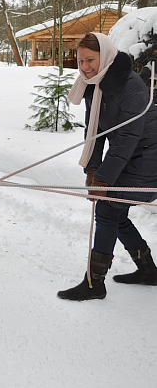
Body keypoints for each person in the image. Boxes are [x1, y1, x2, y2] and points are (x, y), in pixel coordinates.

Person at [58, 32, 157, 301]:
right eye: (80, 61)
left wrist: (103, 179)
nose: (85, 67)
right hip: (127, 156)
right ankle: (148, 271)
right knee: (115, 212)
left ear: (107, 56)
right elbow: (95, 132)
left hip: (149, 158)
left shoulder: (129, 85)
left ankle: (94, 283)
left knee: (108, 206)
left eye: (90, 59)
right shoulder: (95, 84)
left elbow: (127, 137)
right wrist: (92, 169)